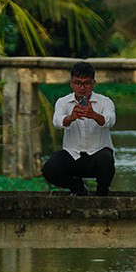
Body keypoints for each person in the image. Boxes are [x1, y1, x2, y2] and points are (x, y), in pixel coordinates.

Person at [42, 61, 115, 194]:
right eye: (78, 83)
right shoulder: (63, 102)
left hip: (96, 156)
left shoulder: (105, 101)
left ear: (93, 83)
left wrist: (93, 115)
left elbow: (110, 121)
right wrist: (70, 117)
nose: (82, 88)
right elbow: (57, 122)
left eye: (86, 83)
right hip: (73, 155)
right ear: (71, 83)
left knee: (106, 158)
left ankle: (102, 193)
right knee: (49, 169)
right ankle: (78, 188)